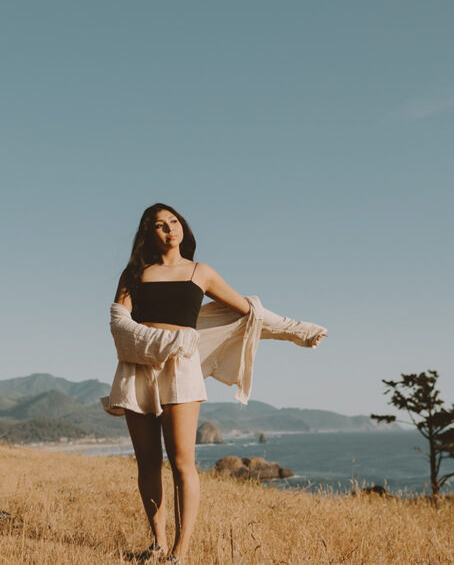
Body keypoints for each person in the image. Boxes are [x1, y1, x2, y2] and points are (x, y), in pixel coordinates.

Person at [104, 203, 326, 563]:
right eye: (159, 225)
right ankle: (157, 543)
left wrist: (296, 330)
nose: (168, 229)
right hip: (137, 368)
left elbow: (248, 311)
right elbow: (118, 322)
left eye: (173, 222)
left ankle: (180, 551)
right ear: (148, 234)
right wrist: (162, 342)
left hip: (181, 369)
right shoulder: (134, 274)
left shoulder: (200, 272)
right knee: (147, 462)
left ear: (183, 228)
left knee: (181, 462)